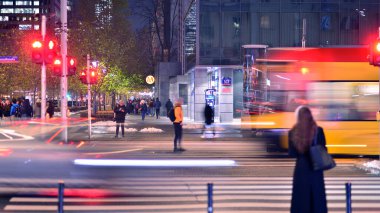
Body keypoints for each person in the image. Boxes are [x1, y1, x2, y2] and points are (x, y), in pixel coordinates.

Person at [289, 106, 328, 213]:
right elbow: (324, 149)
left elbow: (292, 153)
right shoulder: (318, 130)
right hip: (315, 168)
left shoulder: (293, 132)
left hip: (301, 169)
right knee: (317, 197)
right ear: (310, 116)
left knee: (301, 198)